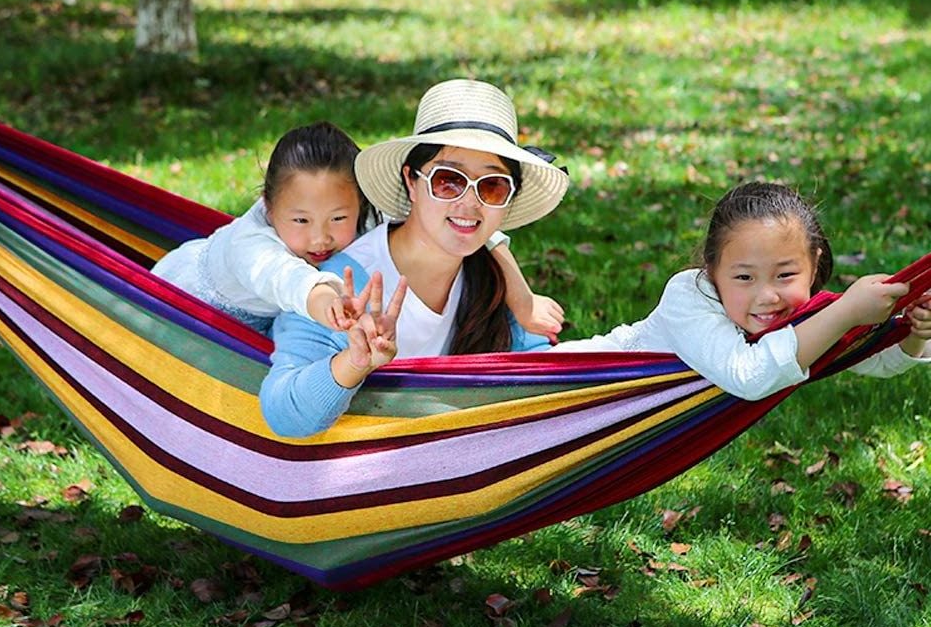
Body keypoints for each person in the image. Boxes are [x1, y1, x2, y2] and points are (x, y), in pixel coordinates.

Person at [260, 79, 571, 437]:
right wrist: (354, 363)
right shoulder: (340, 287)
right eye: (448, 181)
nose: (469, 203)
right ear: (411, 180)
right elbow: (282, 412)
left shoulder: (488, 277)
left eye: (491, 185)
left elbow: (537, 372)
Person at [153, 119, 561, 339]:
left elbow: (464, 220)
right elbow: (286, 278)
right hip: (175, 310)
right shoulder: (249, 245)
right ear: (267, 204)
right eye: (300, 221)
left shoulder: (371, 214)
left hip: (266, 336)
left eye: (338, 219)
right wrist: (326, 299)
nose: (320, 238)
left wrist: (521, 298)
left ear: (361, 203)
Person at [554, 181, 931, 400]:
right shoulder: (689, 293)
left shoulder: (810, 316)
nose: (767, 296)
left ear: (814, 264)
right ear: (712, 268)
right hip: (569, 387)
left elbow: (877, 360)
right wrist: (846, 312)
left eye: (785, 275)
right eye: (744, 278)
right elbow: (748, 376)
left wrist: (913, 333)